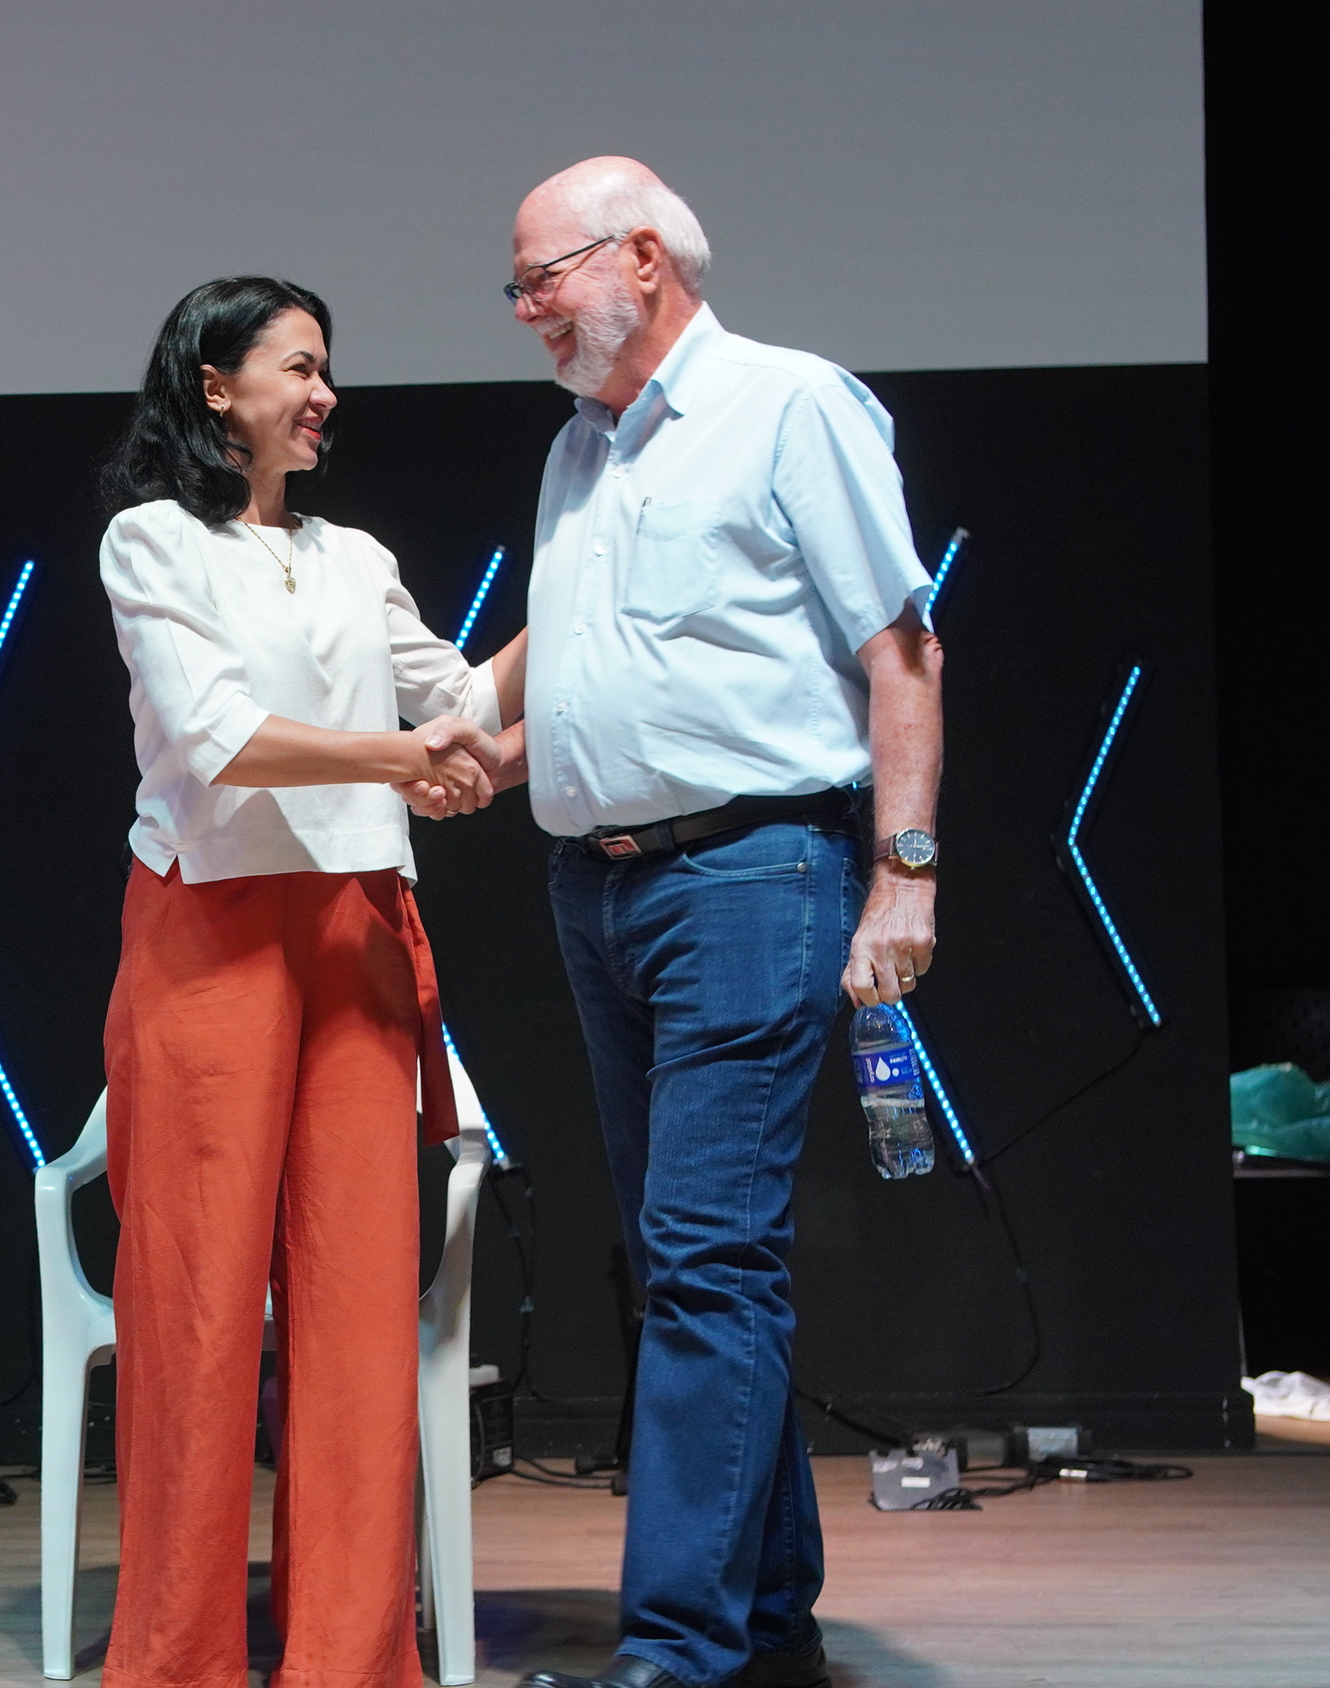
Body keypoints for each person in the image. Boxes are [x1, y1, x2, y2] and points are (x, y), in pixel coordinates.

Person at [476, 161, 944, 1688]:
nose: (527, 311)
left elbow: (903, 651)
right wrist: (476, 746)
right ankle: (766, 1625)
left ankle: (675, 1654)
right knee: (699, 1266)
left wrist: (906, 874)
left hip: (750, 879)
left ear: (644, 257)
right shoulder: (580, 449)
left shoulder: (790, 404)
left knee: (704, 1260)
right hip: (599, 890)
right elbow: (593, 653)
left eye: (543, 278)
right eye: (517, 288)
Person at [93, 275, 525, 1688]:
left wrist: (577, 602)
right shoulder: (152, 542)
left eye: (328, 367)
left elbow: (457, 701)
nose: (326, 392)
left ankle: (348, 1658)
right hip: (209, 936)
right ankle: (182, 1661)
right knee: (200, 1312)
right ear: (215, 387)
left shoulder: (356, 556)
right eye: (298, 365)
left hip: (356, 929)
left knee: (355, 1310)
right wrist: (406, 760)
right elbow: (217, 734)